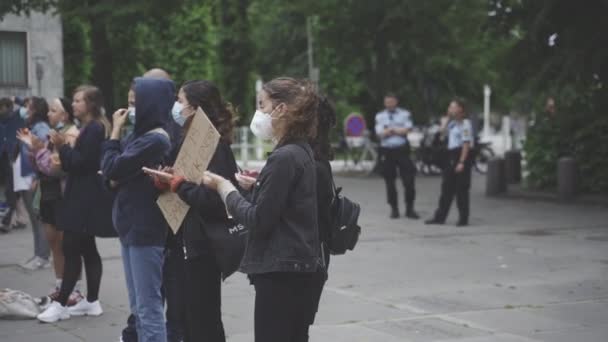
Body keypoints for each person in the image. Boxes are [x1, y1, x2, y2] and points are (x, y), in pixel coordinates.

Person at [202, 77, 322, 342]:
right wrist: (259, 185)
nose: (259, 112)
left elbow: (258, 219)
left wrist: (224, 188)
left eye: (262, 104)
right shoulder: (299, 150)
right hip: (296, 267)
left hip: (281, 271)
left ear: (281, 110)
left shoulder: (284, 156)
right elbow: (288, 204)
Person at [153, 80, 237, 342]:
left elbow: (217, 200)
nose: (176, 107)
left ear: (195, 108)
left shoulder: (214, 145)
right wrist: (165, 180)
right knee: (184, 317)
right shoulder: (186, 139)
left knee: (203, 319)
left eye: (180, 101)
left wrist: (180, 186)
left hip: (202, 247)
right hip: (181, 242)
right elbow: (181, 180)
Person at [101, 77, 174, 342]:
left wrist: (114, 132)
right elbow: (109, 177)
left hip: (145, 229)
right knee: (137, 307)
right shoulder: (140, 136)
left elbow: (111, 168)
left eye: (136, 103)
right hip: (129, 225)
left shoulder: (155, 140)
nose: (130, 109)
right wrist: (114, 171)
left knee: (148, 306)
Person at [37, 85, 116, 323]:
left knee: (71, 248)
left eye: (79, 101)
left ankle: (62, 304)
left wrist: (62, 146)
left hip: (83, 198)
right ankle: (91, 302)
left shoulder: (94, 129)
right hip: (83, 196)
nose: (74, 104)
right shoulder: (91, 127)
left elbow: (81, 164)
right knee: (86, 249)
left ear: (91, 104)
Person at [17, 97, 83, 302]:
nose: (48, 114)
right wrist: (33, 149)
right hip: (48, 194)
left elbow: (57, 168)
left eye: (54, 110)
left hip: (63, 195)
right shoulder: (50, 134)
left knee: (68, 246)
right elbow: (42, 165)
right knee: (54, 243)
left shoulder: (71, 134)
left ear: (64, 115)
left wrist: (38, 150)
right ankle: (60, 285)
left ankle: (75, 290)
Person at [14, 97, 51, 270]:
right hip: (27, 176)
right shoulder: (32, 126)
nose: (24, 109)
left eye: (28, 107)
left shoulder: (41, 128)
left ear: (36, 110)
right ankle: (38, 254)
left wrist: (37, 176)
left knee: (38, 219)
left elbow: (43, 152)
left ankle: (42, 257)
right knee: (35, 219)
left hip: (33, 177)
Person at [425, 98, 473, 227]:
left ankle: (463, 218)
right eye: (449, 107)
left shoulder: (465, 124)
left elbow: (466, 144)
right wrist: (444, 125)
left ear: (460, 109)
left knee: (461, 189)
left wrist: (462, 162)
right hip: (450, 155)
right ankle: (440, 217)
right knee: (446, 188)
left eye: (452, 107)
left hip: (460, 155)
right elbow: (441, 137)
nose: (449, 109)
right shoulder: (451, 124)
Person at [374, 93, 419, 219]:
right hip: (387, 151)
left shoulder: (405, 114)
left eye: (391, 102)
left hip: (402, 150)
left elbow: (408, 129)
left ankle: (410, 208)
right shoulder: (380, 116)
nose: (389, 104)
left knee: (409, 180)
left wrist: (391, 131)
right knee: (389, 181)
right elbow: (379, 133)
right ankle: (394, 208)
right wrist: (397, 130)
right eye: (387, 102)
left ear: (396, 102)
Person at [0, 97, 25, 233]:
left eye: (1, 107)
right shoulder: (2, 119)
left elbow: (28, 105)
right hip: (4, 157)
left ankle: (8, 220)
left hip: (14, 156)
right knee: (12, 190)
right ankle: (18, 218)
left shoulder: (19, 116)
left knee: (12, 189)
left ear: (8, 106)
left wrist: (17, 98)